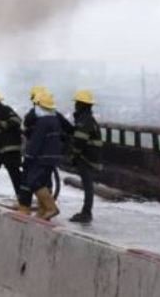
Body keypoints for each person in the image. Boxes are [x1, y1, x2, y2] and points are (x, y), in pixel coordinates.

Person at [18, 91, 63, 219]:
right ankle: (43, 211)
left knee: (34, 181)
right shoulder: (54, 120)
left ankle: (50, 208)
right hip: (52, 157)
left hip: (42, 157)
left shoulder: (42, 122)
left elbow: (36, 143)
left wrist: (28, 157)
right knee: (43, 181)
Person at [68, 90, 103, 223]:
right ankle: (86, 211)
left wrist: (73, 155)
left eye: (77, 103)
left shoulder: (85, 120)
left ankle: (86, 213)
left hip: (87, 158)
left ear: (82, 104)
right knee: (87, 184)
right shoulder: (86, 118)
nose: (75, 105)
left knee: (88, 185)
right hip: (90, 156)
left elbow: (79, 141)